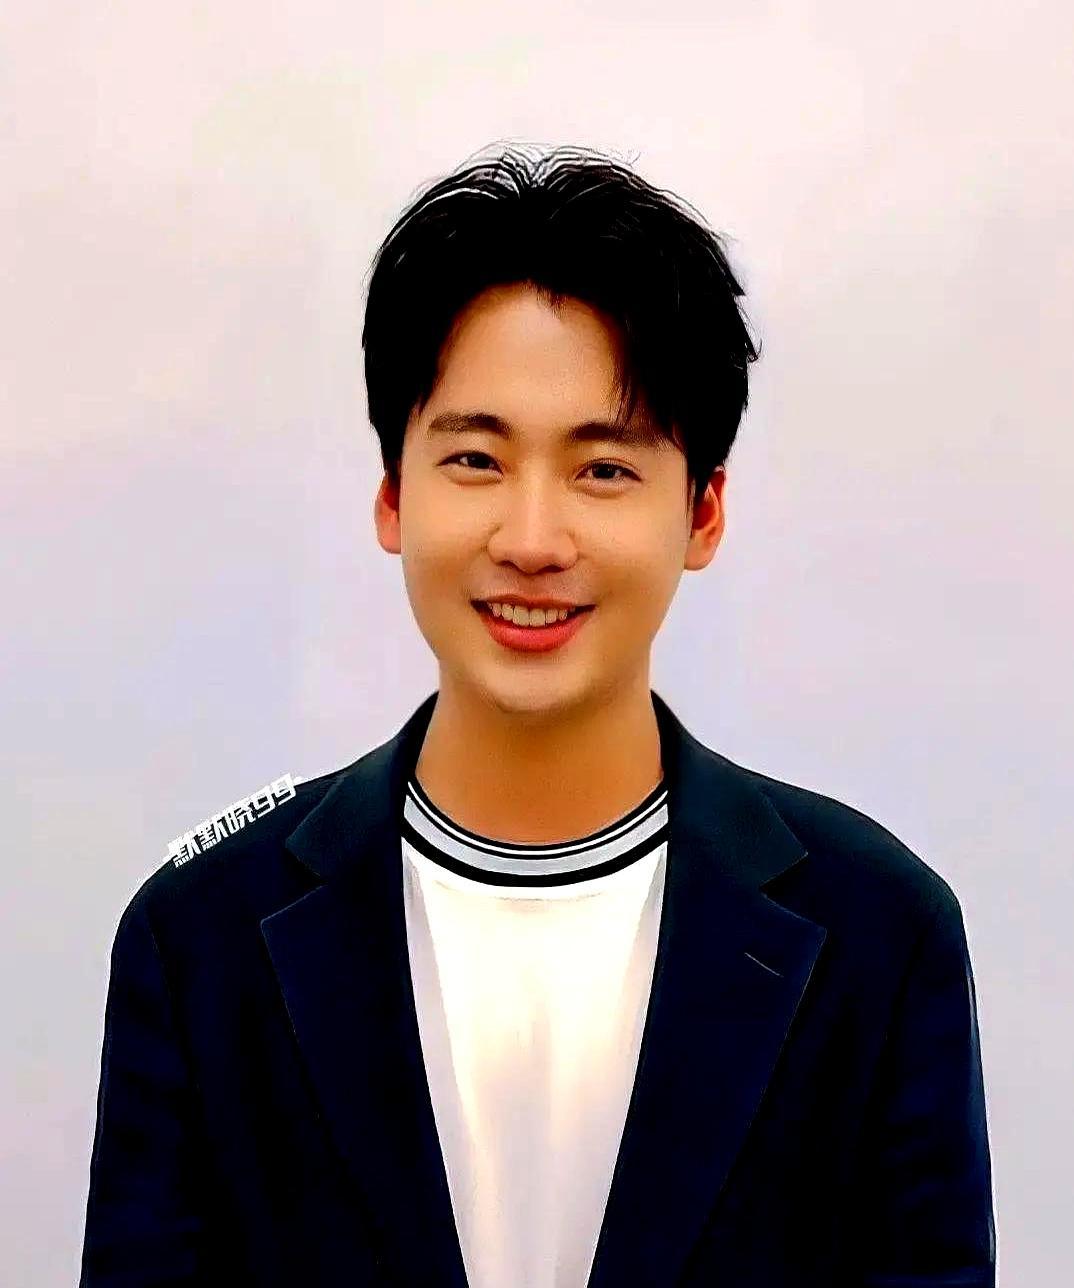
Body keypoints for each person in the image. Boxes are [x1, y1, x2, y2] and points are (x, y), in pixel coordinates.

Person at [80, 145, 996, 1287]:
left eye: (602, 470)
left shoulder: (879, 935)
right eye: (476, 458)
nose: (531, 539)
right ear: (392, 495)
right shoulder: (198, 941)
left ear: (704, 513)